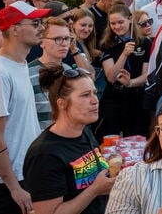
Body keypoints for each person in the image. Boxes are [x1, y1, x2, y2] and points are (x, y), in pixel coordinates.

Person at [23, 64, 114, 213]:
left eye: (94, 93)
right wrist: (95, 190)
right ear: (62, 103)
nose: (95, 100)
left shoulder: (84, 131)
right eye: (85, 95)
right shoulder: (44, 154)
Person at [0, 1, 51, 213]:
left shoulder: (20, 63)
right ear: (15, 29)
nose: (41, 27)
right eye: (35, 23)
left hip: (25, 174)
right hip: (4, 184)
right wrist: (14, 187)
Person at [97, 4, 151, 139]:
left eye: (120, 22)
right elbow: (110, 77)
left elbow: (147, 75)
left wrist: (130, 83)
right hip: (113, 98)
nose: (117, 27)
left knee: (137, 138)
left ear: (130, 19)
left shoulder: (144, 43)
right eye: (113, 23)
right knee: (111, 140)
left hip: (137, 99)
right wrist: (124, 54)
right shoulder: (106, 44)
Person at [28, 17, 76, 130]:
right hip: (39, 141)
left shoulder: (68, 70)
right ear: (42, 42)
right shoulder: (28, 73)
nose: (64, 43)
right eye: (57, 39)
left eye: (67, 38)